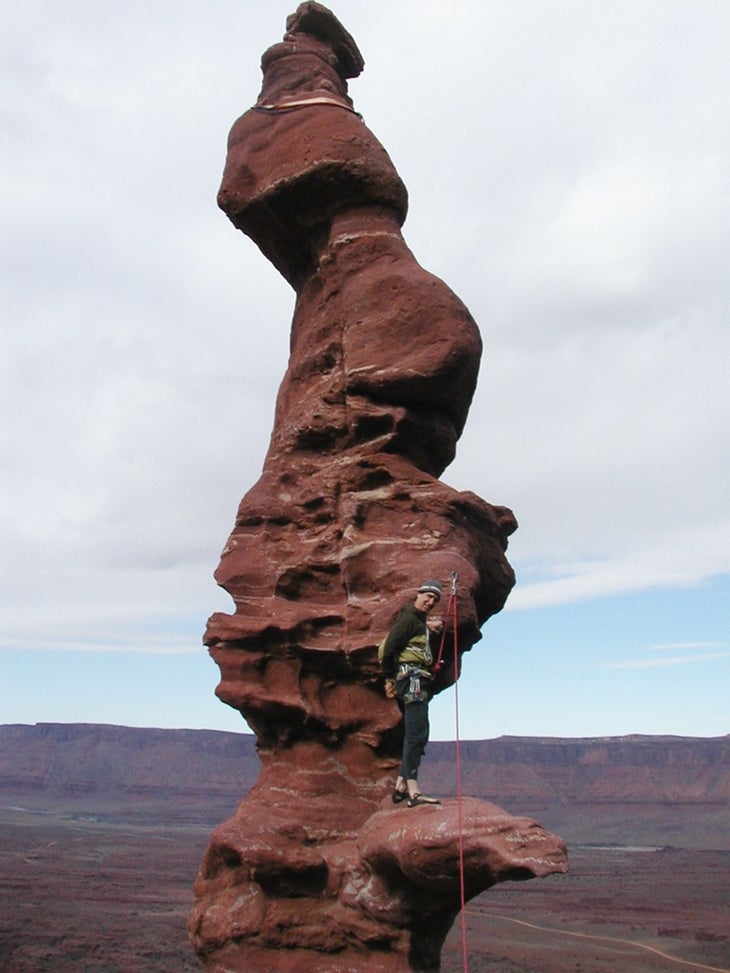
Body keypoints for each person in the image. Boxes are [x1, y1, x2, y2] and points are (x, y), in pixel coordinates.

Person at [381, 579, 444, 807]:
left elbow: (415, 626)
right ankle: (413, 791)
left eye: (435, 600)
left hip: (417, 678)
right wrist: (389, 677)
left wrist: (429, 626)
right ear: (418, 594)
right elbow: (389, 647)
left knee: (417, 732)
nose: (430, 601)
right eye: (428, 596)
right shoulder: (409, 619)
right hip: (413, 679)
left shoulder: (416, 619)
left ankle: (400, 785)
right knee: (417, 733)